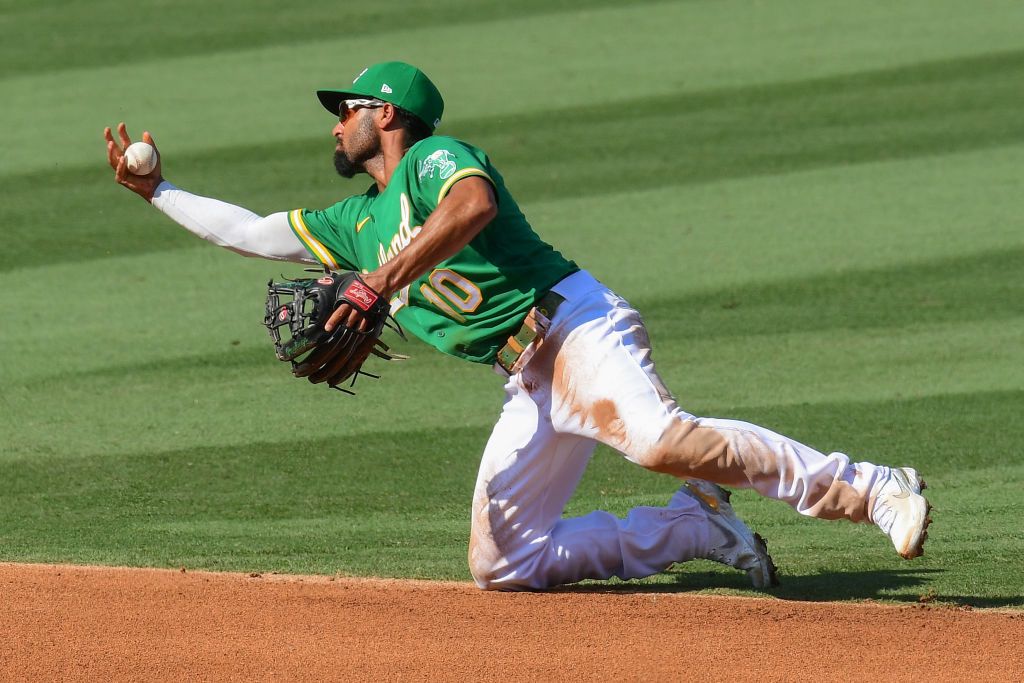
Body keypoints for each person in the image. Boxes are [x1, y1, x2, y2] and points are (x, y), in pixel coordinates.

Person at [104, 61, 930, 591]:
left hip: (575, 327)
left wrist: (382, 283)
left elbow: (475, 205)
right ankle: (690, 525)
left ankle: (869, 487)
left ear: (386, 115)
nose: (335, 123)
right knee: (502, 564)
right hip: (528, 376)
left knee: (657, 439)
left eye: (347, 108)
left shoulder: (432, 161)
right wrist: (160, 191)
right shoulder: (354, 221)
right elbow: (248, 232)